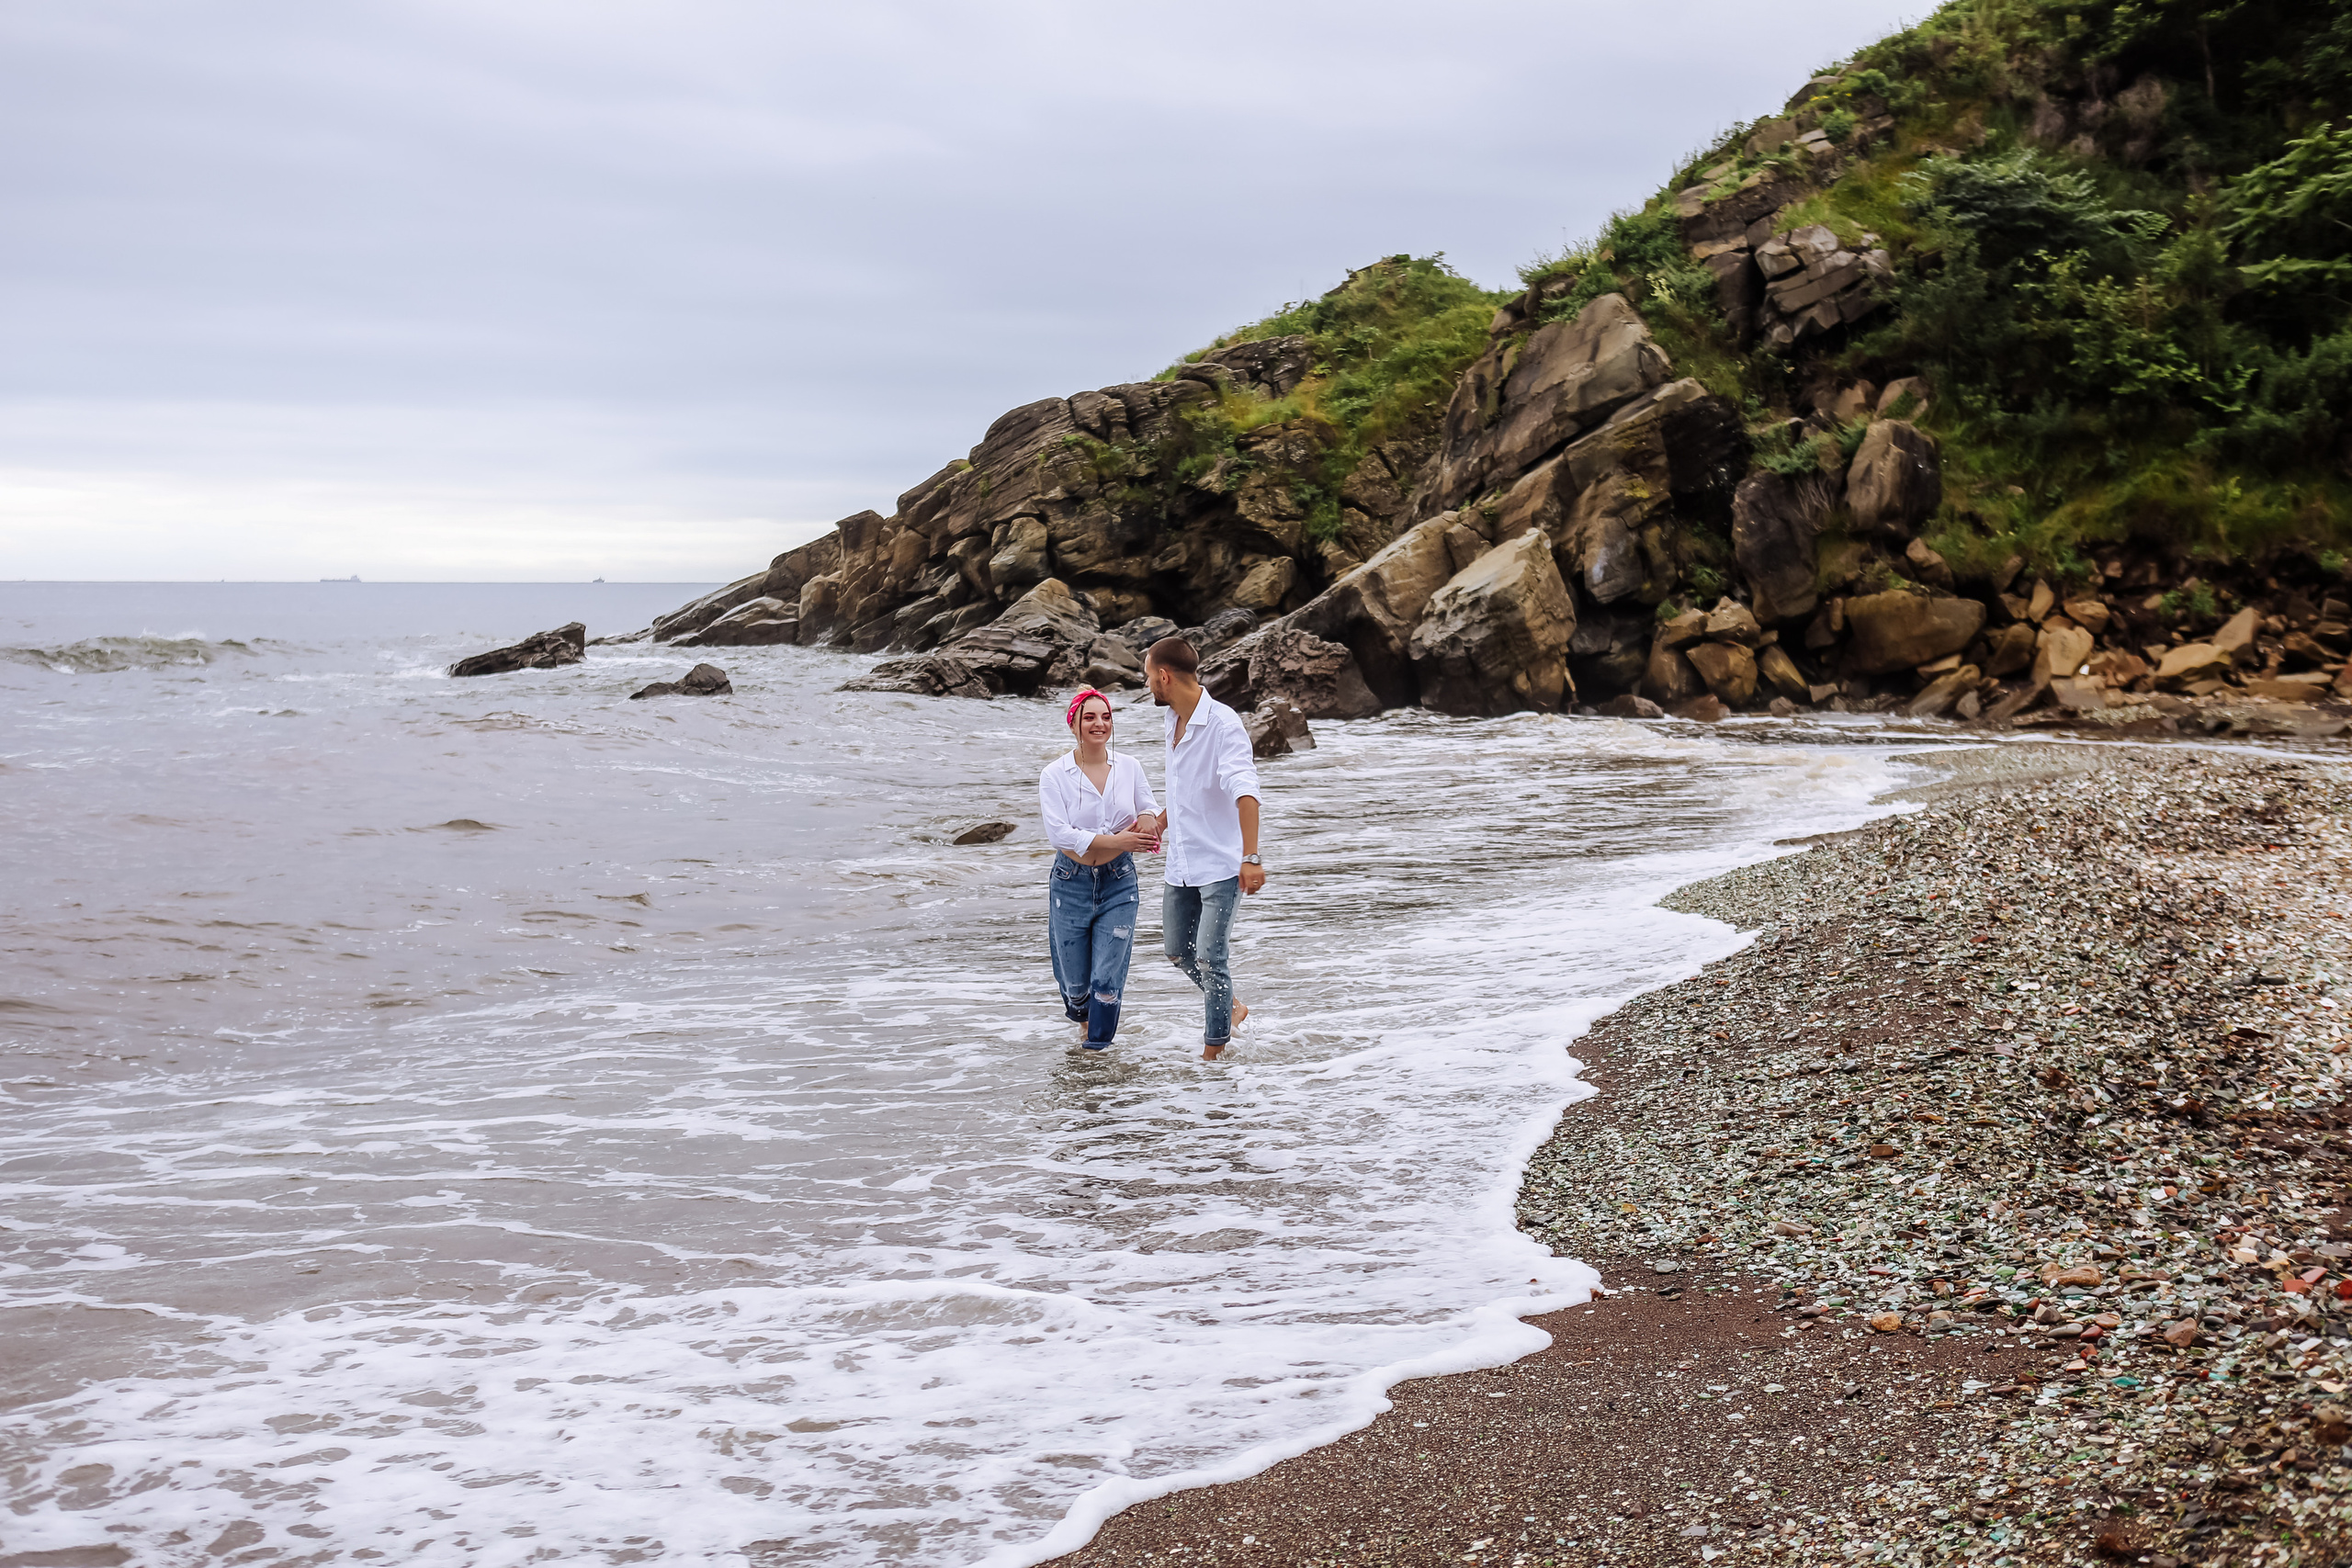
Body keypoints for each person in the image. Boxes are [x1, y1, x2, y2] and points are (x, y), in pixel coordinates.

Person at [1133, 637, 1263, 1062]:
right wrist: (1160, 822)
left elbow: (1245, 791)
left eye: (1149, 675)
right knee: (1177, 951)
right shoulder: (1172, 720)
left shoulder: (1224, 726)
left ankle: (1213, 1056)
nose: (1148, 684)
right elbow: (1185, 789)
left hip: (1222, 864)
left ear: (1164, 676)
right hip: (1181, 863)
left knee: (1210, 957)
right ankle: (1231, 1008)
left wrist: (1251, 856)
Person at [1036, 687, 1159, 1050]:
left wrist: (1148, 819)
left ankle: (1096, 1055)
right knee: (1076, 987)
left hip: (1119, 882)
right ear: (1073, 723)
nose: (1099, 724)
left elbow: (1148, 806)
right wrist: (1119, 840)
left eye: (1106, 717)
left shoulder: (1130, 767)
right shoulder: (1053, 774)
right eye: (1089, 717)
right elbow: (1060, 834)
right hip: (1070, 883)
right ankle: (1083, 1022)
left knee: (1106, 981)